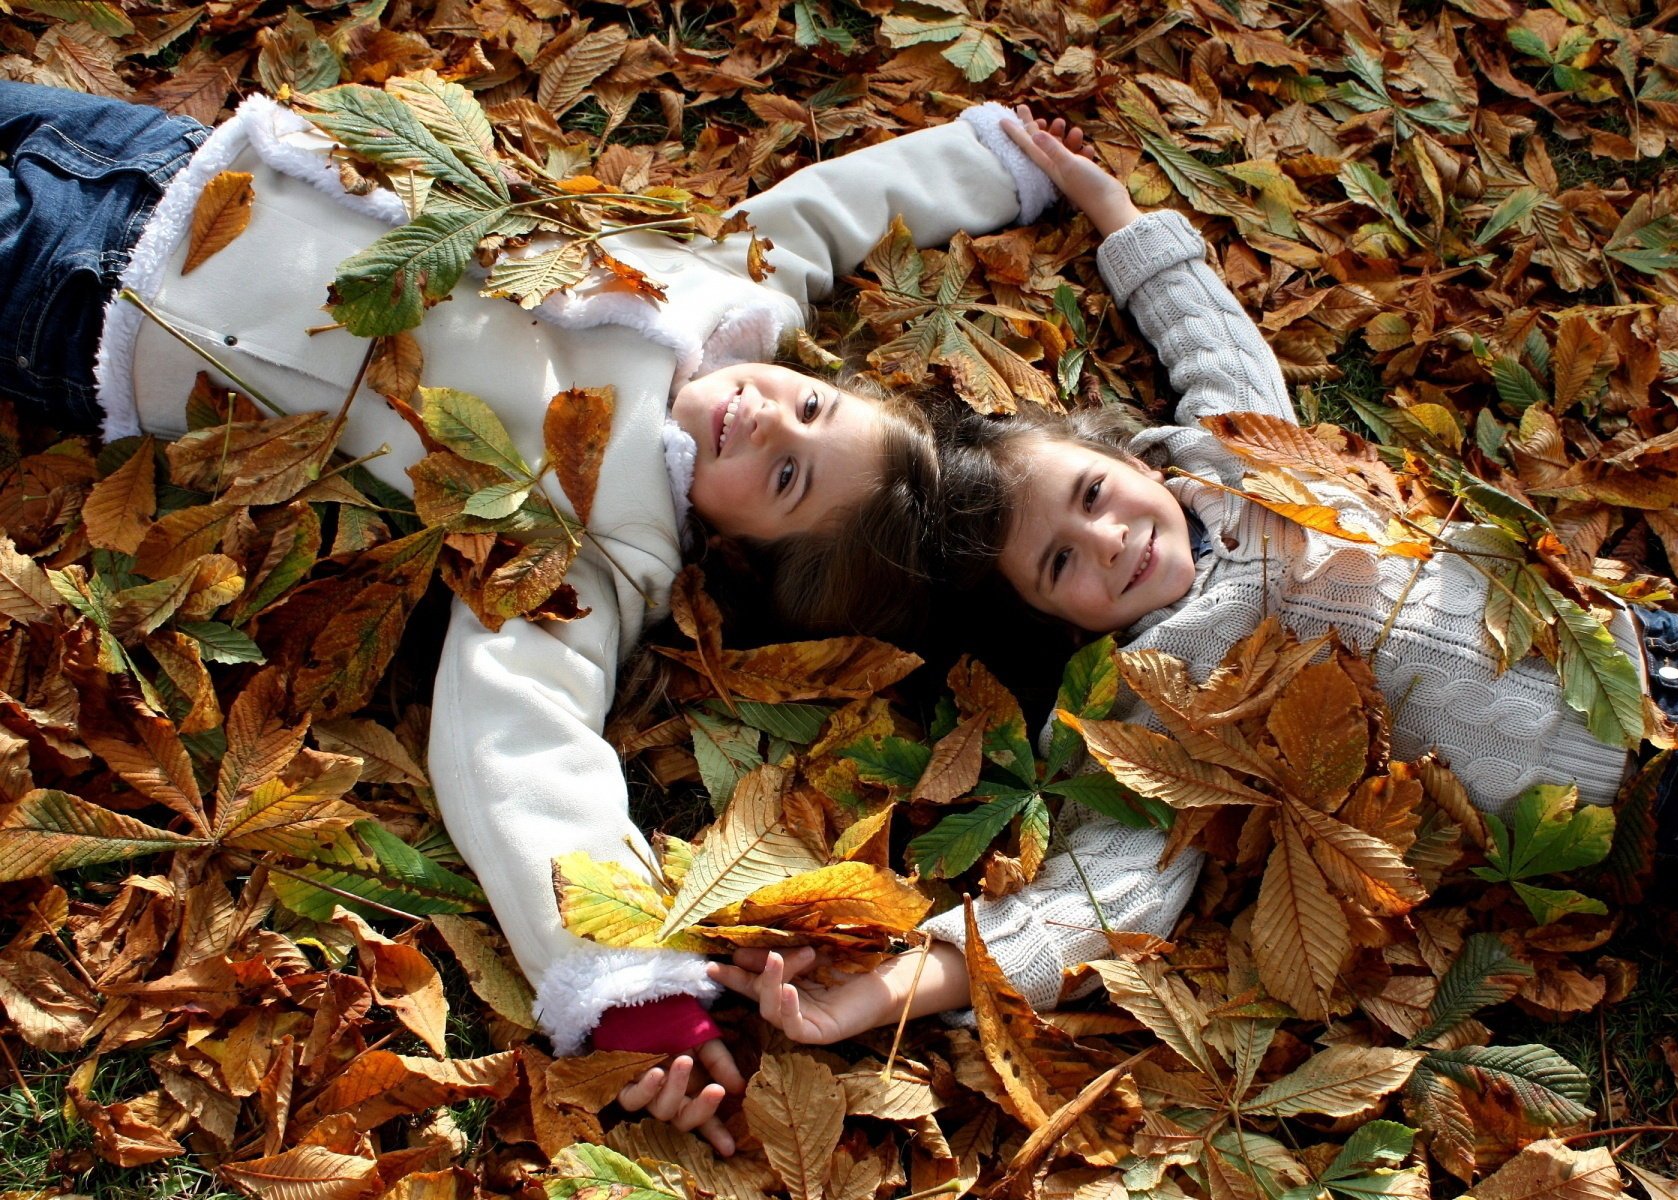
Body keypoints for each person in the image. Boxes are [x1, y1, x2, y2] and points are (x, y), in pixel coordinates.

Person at [0, 79, 1060, 1152]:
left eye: (786, 478)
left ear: (746, 557)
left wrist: (636, 991)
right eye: (813, 406)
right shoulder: (734, 306)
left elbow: (517, 737)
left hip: (108, 301)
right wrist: (1000, 159)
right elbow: (836, 206)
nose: (767, 417)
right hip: (210, 160)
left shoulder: (605, 543)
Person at [713, 107, 1678, 1046]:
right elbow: (1093, 899)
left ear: (1112, 456)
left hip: (1673, 646)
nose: (1114, 541)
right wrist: (880, 994)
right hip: (1676, 796)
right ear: (1048, 619)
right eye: (1064, 565)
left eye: (1092, 496)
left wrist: (1109, 202)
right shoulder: (1161, 702)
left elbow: (1208, 336)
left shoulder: (1229, 465)